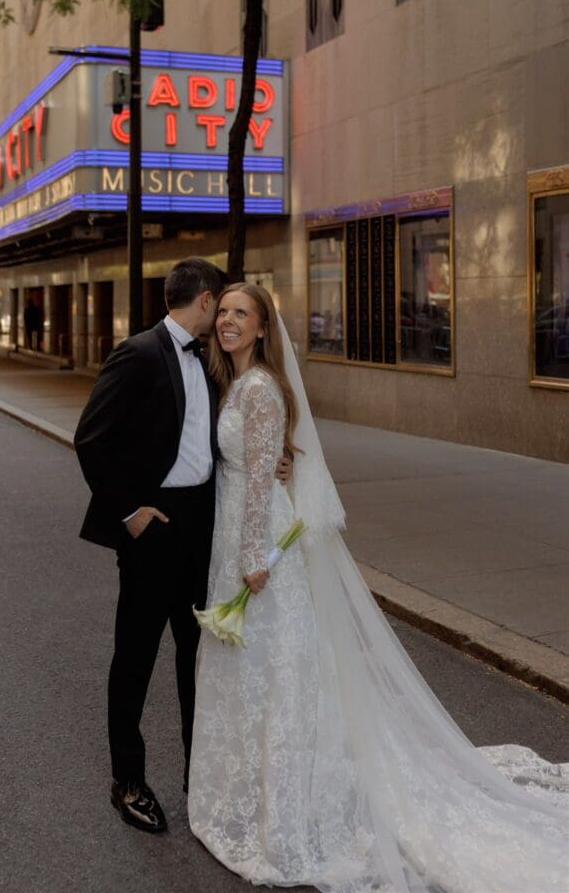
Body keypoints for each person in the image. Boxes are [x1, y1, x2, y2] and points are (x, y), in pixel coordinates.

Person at [189, 283, 567, 893]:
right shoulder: (236, 383)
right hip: (239, 535)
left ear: (263, 328)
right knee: (265, 667)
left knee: (281, 668)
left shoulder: (258, 388)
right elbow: (270, 462)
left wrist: (252, 559)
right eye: (224, 312)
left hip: (254, 545)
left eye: (242, 314)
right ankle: (259, 793)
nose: (229, 321)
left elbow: (260, 480)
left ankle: (284, 810)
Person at [74, 259, 291, 837]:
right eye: (219, 305)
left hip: (206, 529)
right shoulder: (139, 353)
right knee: (135, 659)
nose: (223, 317)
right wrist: (131, 512)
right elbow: (90, 439)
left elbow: (235, 434)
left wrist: (275, 460)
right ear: (201, 300)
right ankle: (129, 782)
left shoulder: (215, 362)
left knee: (200, 660)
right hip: (155, 528)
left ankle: (205, 780)